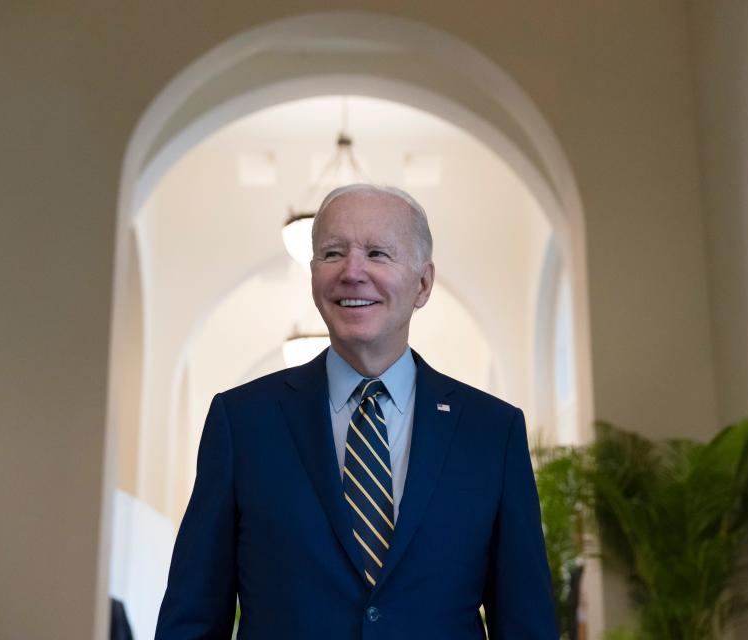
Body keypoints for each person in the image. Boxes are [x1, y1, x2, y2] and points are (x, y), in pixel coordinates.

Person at [156, 184, 557, 639]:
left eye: (378, 253)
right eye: (332, 253)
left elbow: (527, 625)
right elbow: (191, 619)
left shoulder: (492, 432)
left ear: (423, 284)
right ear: (313, 277)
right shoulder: (242, 422)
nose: (352, 271)